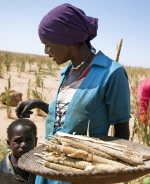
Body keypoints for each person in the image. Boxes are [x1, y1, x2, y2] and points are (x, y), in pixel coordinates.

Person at [15, 3, 130, 184]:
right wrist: (39, 103)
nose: (45, 51)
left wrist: (106, 173)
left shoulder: (111, 73)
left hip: (80, 174)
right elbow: (71, 117)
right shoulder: (68, 70)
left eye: (47, 45)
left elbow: (122, 133)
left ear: (67, 39)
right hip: (49, 166)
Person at [0, 118, 37, 184]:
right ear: (9, 143)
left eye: (28, 140)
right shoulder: (2, 170)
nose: (23, 145)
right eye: (18, 140)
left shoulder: (43, 167)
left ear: (36, 141)